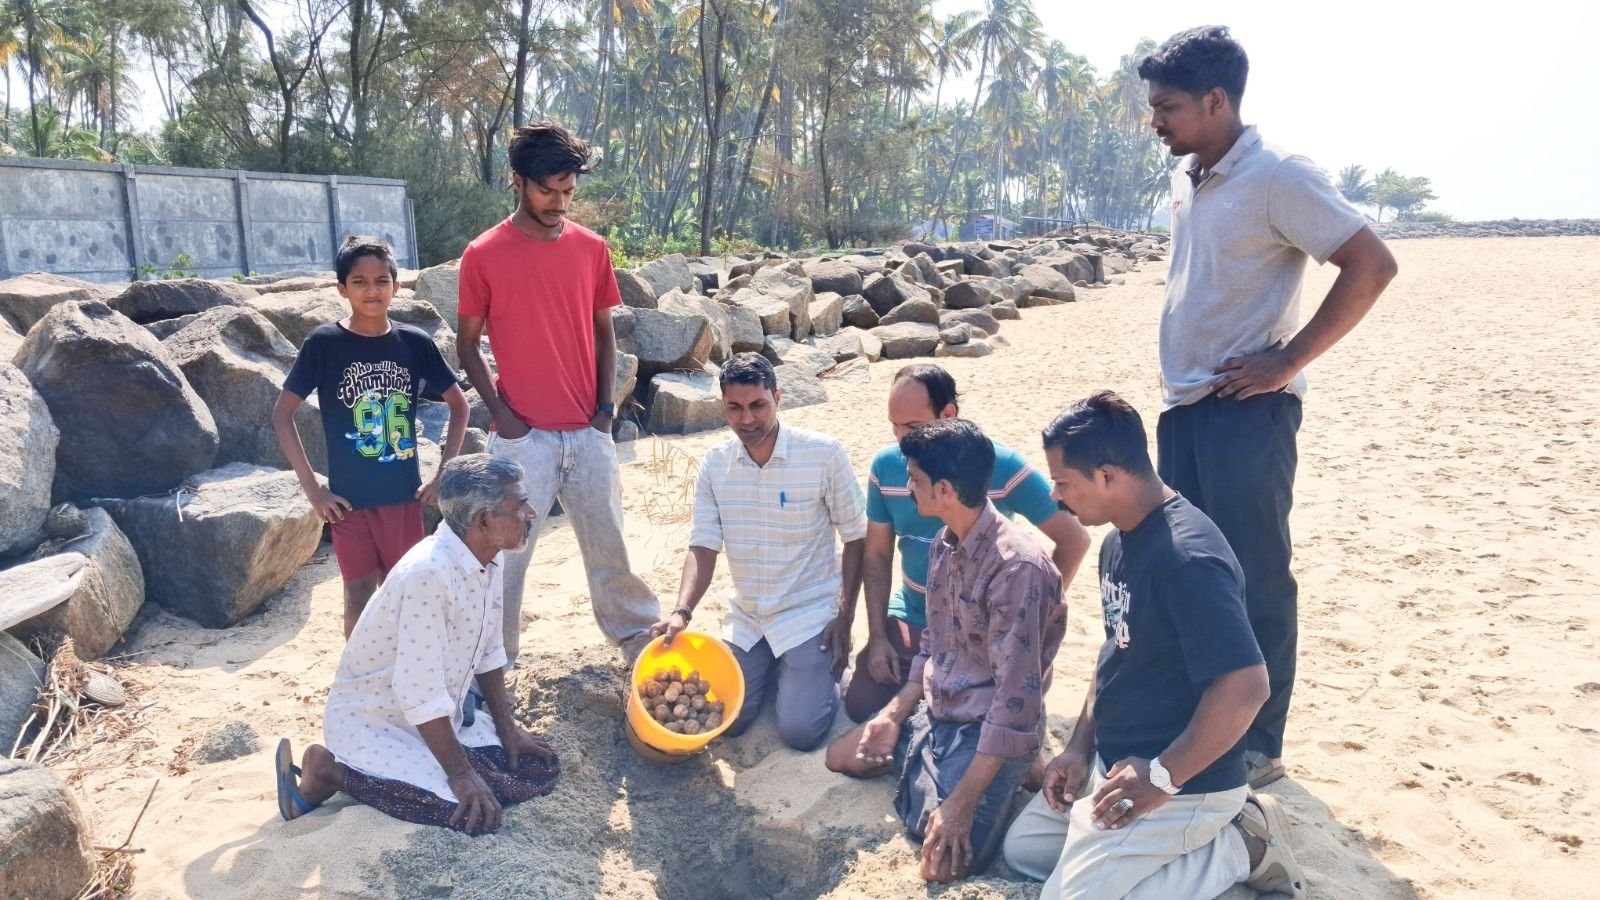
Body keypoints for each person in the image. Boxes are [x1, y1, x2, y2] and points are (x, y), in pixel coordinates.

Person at [1139, 26, 1398, 787]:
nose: (1157, 121)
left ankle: (1258, 746)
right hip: (1183, 405)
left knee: (1255, 575)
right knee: (1191, 570)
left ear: (1216, 100)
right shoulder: (1192, 175)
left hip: (1246, 414)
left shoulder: (1280, 174)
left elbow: (1372, 262)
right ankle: (1206, 719)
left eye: (1169, 107)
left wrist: (1288, 359)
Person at [1001, 392, 1304, 898]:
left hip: (1185, 784)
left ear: (1107, 476)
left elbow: (1247, 686)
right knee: (1026, 852)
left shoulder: (1186, 558)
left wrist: (1162, 777)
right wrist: (1079, 748)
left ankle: (1241, 846)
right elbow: (1115, 654)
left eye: (1063, 483)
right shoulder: (1119, 540)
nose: (1056, 497)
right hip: (1116, 764)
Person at [456, 121, 660, 666]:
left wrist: (603, 412)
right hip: (523, 439)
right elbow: (468, 345)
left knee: (609, 544)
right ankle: (492, 661)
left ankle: (638, 638)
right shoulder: (483, 253)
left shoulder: (592, 249)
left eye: (569, 191)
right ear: (519, 182)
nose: (561, 203)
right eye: (549, 190)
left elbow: (604, 334)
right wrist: (504, 416)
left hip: (588, 431)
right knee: (506, 556)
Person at [825, 418, 1063, 884]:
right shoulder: (943, 546)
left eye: (914, 479)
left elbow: (1014, 701)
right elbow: (932, 648)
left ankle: (1015, 769)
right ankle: (985, 775)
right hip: (941, 710)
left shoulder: (1018, 570)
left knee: (945, 857)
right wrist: (892, 716)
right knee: (842, 758)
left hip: (991, 723)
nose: (909, 488)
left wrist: (961, 804)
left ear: (946, 489)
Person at [274, 454, 560, 833]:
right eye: (519, 506)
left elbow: (490, 652)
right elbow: (418, 692)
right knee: (464, 814)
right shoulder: (428, 575)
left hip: (436, 717)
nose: (531, 513)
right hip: (376, 723)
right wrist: (460, 775)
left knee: (535, 770)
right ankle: (329, 772)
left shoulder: (490, 555)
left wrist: (509, 731)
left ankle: (435, 766)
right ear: (483, 521)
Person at [844, 364, 1090, 724]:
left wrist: (1027, 610)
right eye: (893, 425)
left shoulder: (1000, 464)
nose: (900, 439)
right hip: (915, 610)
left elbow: (1074, 539)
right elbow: (877, 556)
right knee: (860, 706)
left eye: (912, 427)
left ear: (948, 415)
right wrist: (877, 635)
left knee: (960, 714)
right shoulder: (886, 467)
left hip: (981, 625)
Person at [649, 353, 866, 751]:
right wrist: (681, 611)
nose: (747, 419)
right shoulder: (715, 465)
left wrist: (845, 616)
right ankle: (784, 671)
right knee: (728, 722)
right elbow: (702, 545)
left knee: (801, 733)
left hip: (808, 614)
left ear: (778, 398)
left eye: (757, 405)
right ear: (723, 407)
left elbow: (856, 537)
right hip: (748, 617)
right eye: (735, 407)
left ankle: (819, 674)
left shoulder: (823, 454)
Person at [273, 235, 469, 638]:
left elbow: (459, 405)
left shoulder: (414, 342)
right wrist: (315, 491)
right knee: (358, 595)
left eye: (382, 280)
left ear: (397, 287)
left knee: (407, 594)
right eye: (359, 281)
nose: (372, 290)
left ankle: (410, 682)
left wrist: (441, 476)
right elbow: (282, 415)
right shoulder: (324, 344)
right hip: (349, 503)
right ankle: (359, 687)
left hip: (402, 497)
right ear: (341, 288)